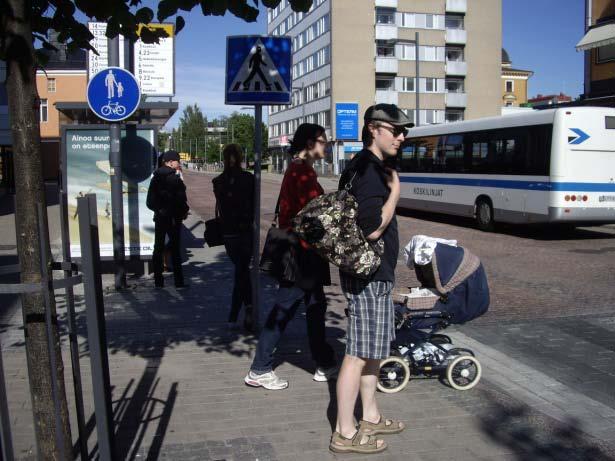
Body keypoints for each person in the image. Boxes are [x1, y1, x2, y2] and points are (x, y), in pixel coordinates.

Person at [330, 104, 412, 454]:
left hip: (371, 274)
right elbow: (372, 228)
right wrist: (395, 195)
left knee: (372, 351)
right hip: (368, 274)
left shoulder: (362, 166)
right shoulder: (370, 171)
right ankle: (344, 432)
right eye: (396, 130)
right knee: (356, 355)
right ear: (375, 129)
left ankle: (371, 416)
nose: (402, 136)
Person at [244, 123, 337, 390]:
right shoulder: (303, 172)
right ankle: (260, 368)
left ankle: (323, 363)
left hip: (304, 251)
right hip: (302, 253)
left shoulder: (296, 169)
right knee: (284, 308)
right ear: (310, 143)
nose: (326, 145)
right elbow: (313, 213)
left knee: (316, 307)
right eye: (323, 141)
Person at [212, 144, 255, 331]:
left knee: (241, 271)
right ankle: (245, 309)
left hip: (228, 232)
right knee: (242, 271)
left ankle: (239, 312)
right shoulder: (249, 179)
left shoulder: (218, 181)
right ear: (240, 157)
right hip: (245, 231)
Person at [147, 150, 189, 289]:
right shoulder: (175, 179)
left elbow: (149, 202)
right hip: (173, 219)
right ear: (170, 162)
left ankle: (158, 281)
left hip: (160, 217)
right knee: (175, 249)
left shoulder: (155, 179)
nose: (179, 163)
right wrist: (182, 212)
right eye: (177, 160)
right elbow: (182, 201)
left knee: (158, 248)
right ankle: (179, 282)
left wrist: (159, 210)